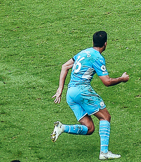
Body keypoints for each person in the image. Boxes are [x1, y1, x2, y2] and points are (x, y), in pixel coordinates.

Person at [50, 31, 130, 160]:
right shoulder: (97, 57)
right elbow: (107, 82)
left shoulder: (83, 53)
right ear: (105, 44)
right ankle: (104, 152)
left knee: (89, 128)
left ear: (93, 42)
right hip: (82, 91)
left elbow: (65, 66)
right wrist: (122, 78)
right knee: (105, 117)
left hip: (71, 93)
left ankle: (62, 128)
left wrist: (60, 89)